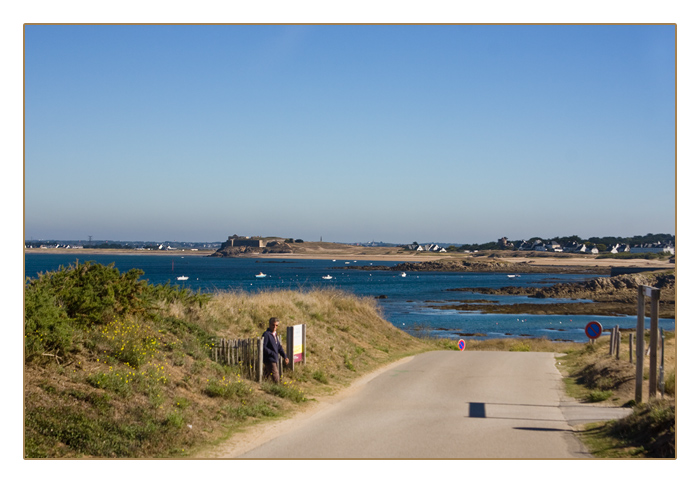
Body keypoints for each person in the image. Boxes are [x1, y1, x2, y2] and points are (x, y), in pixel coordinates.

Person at [262, 317, 289, 383]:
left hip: (274, 358)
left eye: (276, 325)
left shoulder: (274, 334)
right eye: (273, 325)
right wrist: (272, 353)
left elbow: (279, 347)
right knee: (276, 379)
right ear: (269, 325)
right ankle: (278, 390)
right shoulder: (266, 334)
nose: (274, 327)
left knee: (265, 376)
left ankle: (263, 385)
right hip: (269, 359)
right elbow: (263, 347)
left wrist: (285, 356)